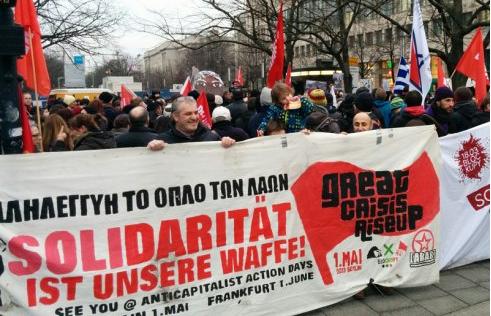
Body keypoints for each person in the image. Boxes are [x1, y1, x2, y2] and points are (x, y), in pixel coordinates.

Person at [147, 96, 235, 150]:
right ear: (175, 116)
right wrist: (151, 149)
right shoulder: (163, 141)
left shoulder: (212, 138)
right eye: (188, 114)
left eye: (196, 113)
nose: (194, 117)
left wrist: (227, 146)